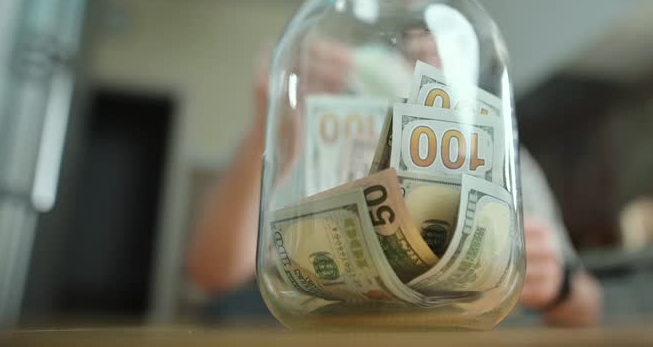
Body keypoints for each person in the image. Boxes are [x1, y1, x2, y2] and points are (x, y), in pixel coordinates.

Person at [186, 34, 602, 327]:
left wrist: (560, 285)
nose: (427, 72)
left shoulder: (507, 161)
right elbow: (212, 271)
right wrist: (269, 124)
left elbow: (589, 310)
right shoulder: (315, 141)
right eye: (413, 57)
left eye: (439, 56)